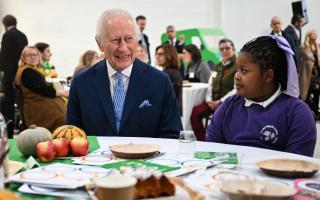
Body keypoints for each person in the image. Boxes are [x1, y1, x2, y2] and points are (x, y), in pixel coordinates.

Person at [67, 9, 182, 138]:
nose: (123, 48)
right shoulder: (81, 83)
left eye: (129, 39)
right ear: (100, 43)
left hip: (146, 158)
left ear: (137, 39)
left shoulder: (160, 82)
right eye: (115, 40)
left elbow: (173, 135)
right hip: (96, 158)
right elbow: (73, 136)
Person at [206, 36, 316, 157]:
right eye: (237, 70)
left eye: (243, 71)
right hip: (226, 175)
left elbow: (297, 165)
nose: (236, 76)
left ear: (268, 76)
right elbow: (212, 152)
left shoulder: (296, 112)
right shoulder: (228, 106)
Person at [191, 39, 237, 141]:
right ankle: (202, 140)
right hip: (213, 102)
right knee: (194, 113)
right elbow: (210, 85)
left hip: (228, 102)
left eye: (227, 48)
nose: (224, 51)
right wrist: (208, 100)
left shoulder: (237, 66)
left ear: (233, 49)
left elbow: (236, 89)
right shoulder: (217, 66)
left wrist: (220, 101)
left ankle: (220, 142)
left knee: (217, 119)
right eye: (222, 49)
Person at [15, 46, 68, 132]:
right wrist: (62, 93)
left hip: (38, 106)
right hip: (37, 111)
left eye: (35, 55)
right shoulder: (27, 72)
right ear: (23, 58)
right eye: (29, 55)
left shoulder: (27, 69)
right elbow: (45, 90)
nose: (33, 57)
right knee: (63, 117)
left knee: (65, 114)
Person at [0, 15, 28, 138]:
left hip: (9, 74)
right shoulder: (23, 36)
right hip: (20, 73)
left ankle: (9, 128)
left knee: (9, 102)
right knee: (21, 100)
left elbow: (3, 55)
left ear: (5, 25)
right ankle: (23, 125)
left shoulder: (7, 35)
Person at [155, 44, 182, 114]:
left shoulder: (167, 74)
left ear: (169, 55)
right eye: (156, 54)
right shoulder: (174, 71)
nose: (157, 57)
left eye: (161, 54)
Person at [299, 29, 320, 119]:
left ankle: (315, 112)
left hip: (317, 75)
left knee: (316, 94)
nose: (315, 35)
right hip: (307, 75)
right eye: (313, 34)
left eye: (316, 34)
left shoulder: (318, 46)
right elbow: (307, 58)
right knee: (306, 95)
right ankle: (306, 114)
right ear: (309, 35)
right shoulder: (303, 47)